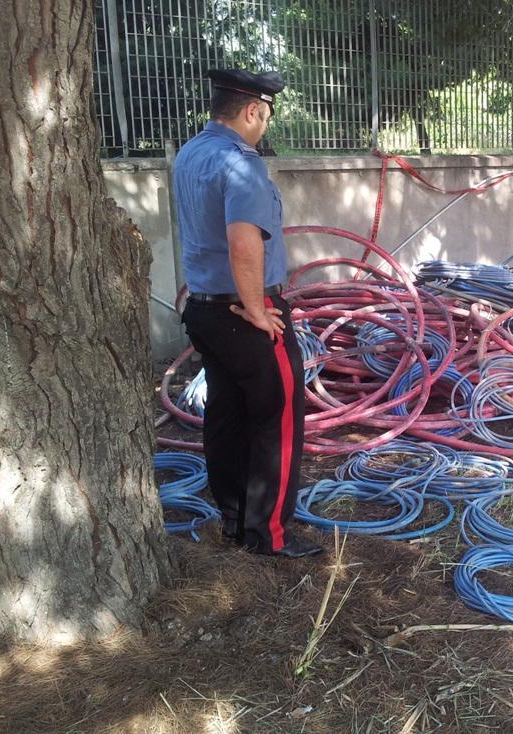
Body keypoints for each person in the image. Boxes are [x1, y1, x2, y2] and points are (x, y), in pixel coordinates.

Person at [173, 68, 321, 558]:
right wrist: (258, 309)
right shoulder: (242, 163)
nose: (265, 127)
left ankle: (235, 520)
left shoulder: (191, 153)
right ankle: (269, 535)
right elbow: (243, 241)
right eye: (266, 117)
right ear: (254, 111)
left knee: (226, 415)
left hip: (205, 310)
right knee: (278, 418)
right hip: (245, 313)